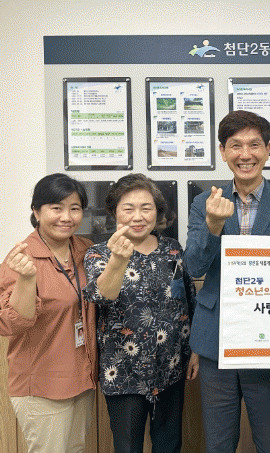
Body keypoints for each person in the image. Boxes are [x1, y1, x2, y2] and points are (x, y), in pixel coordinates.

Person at [184, 110, 270, 453]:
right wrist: (212, 225)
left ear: (268, 150)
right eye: (235, 145)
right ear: (223, 152)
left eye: (254, 144)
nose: (245, 154)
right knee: (218, 444)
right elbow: (194, 266)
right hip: (215, 340)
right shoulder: (204, 203)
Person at [83, 174, 197, 453]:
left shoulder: (173, 250)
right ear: (114, 212)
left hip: (171, 368)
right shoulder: (98, 254)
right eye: (128, 208)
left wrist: (195, 351)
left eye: (146, 208)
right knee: (127, 447)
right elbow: (101, 295)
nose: (138, 216)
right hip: (123, 372)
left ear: (157, 212)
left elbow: (189, 301)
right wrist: (118, 261)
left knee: (169, 445)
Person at [0, 173, 97, 453]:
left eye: (74, 208)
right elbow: (9, 324)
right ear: (36, 212)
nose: (66, 217)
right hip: (42, 385)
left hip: (82, 378)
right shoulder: (23, 257)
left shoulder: (85, 250)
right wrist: (27, 279)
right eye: (56, 208)